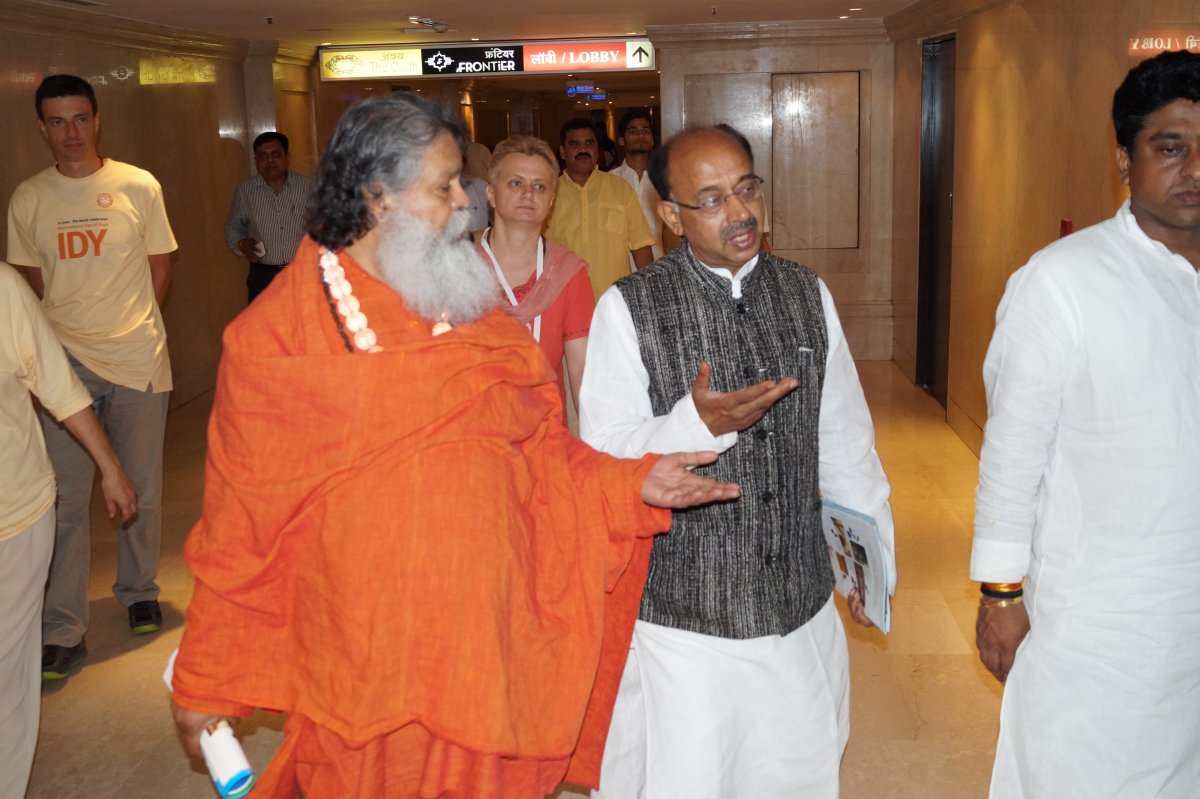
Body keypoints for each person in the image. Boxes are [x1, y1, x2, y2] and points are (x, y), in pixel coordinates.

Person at [169, 93, 740, 799]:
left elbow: (541, 449)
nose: (466, 204)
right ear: (377, 196)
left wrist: (631, 482)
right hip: (365, 661)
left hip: (484, 644)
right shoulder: (276, 339)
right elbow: (240, 523)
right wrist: (207, 676)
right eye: (444, 188)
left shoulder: (466, 307)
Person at [580, 124, 896, 797]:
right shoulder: (630, 308)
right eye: (712, 199)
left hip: (800, 603)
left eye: (746, 188)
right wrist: (697, 424)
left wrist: (870, 566)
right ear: (671, 215)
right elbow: (604, 452)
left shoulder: (806, 293)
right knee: (693, 777)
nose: (740, 211)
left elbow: (846, 442)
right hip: (687, 618)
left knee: (800, 770)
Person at [971, 49, 1200, 797]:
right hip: (1100, 618)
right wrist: (1002, 593)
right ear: (1124, 159)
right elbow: (1012, 452)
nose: (1194, 168)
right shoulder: (1063, 280)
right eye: (1171, 147)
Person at [6, 74, 177, 680]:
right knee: (64, 499)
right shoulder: (29, 198)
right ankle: (63, 628)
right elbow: (33, 288)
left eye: (80, 119)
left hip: (136, 362)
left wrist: (136, 329)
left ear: (97, 120)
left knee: (140, 487)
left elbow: (160, 268)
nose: (71, 133)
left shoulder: (138, 185)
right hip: (65, 370)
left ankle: (139, 591)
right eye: (57, 122)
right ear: (42, 128)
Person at [0, 263, 136, 799]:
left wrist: (111, 467)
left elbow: (58, 385)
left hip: (14, 516)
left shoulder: (3, 290)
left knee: (8, 676)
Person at [477, 134, 595, 404]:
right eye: (516, 183)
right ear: (491, 193)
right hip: (474, 425)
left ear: (551, 200)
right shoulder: (459, 272)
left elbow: (582, 371)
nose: (528, 194)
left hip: (545, 424)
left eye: (539, 186)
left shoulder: (568, 273)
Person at [545, 118, 655, 299]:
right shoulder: (547, 194)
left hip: (615, 301)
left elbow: (641, 247)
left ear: (597, 151)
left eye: (589, 143)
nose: (583, 149)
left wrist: (650, 296)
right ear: (563, 152)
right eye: (574, 144)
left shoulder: (621, 189)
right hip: (563, 301)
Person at [224, 131, 316, 302]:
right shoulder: (246, 191)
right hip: (263, 277)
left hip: (303, 274)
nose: (270, 161)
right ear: (256, 161)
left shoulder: (308, 187)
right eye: (263, 156)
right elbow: (233, 227)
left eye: (276, 155)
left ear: (287, 157)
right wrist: (242, 243)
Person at [610, 109, 663, 263]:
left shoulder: (664, 180)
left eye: (645, 131)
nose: (640, 136)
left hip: (659, 265)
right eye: (633, 132)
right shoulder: (609, 181)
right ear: (621, 140)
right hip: (619, 268)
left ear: (652, 140)